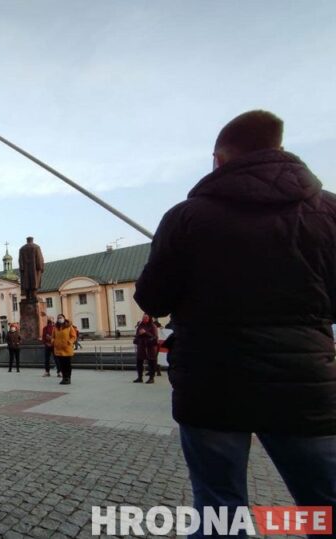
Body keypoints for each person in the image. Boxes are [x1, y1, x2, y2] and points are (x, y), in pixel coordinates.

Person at [134, 110, 336, 534]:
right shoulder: (329, 212)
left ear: (219, 159)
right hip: (304, 384)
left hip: (213, 384)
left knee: (219, 509)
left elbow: (152, 298)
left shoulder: (186, 217)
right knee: (325, 505)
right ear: (279, 148)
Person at [132, 314, 158, 384]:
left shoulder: (153, 326)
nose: (144, 319)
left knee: (151, 363)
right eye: (143, 317)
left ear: (149, 318)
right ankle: (140, 378)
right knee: (139, 362)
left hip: (150, 348)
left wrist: (145, 333)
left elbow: (155, 337)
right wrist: (136, 339)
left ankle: (151, 378)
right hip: (141, 347)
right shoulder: (140, 326)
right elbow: (137, 335)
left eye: (146, 317)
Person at [52, 315, 77, 385]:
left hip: (67, 349)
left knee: (67, 365)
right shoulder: (55, 327)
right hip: (58, 349)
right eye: (58, 318)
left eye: (61, 318)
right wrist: (53, 342)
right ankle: (64, 378)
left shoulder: (69, 327)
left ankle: (68, 378)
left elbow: (73, 336)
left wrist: (69, 342)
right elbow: (53, 336)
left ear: (64, 318)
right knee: (61, 365)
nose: (60, 319)